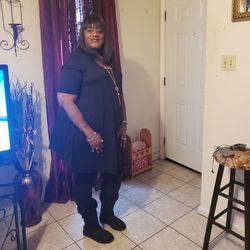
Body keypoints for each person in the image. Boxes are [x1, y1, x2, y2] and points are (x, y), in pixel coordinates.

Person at [49, 15, 127, 244]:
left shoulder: (110, 61)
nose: (94, 34)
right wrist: (89, 133)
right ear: (83, 34)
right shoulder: (77, 60)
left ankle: (107, 213)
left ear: (105, 35)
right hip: (83, 134)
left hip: (111, 131)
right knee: (84, 180)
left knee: (113, 174)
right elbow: (65, 100)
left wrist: (123, 122)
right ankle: (91, 225)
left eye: (99, 31)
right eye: (89, 30)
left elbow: (119, 94)